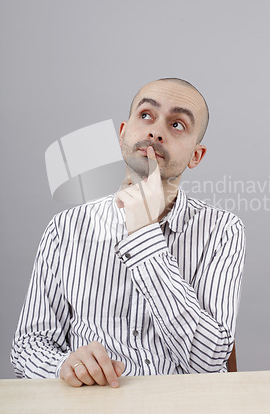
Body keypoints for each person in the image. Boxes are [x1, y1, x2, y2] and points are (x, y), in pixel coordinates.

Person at [11, 78, 245, 388]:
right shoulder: (65, 229)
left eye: (177, 124)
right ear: (123, 133)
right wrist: (63, 366)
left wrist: (143, 233)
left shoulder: (223, 230)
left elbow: (208, 361)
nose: (156, 131)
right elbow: (28, 346)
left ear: (196, 156)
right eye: (146, 115)